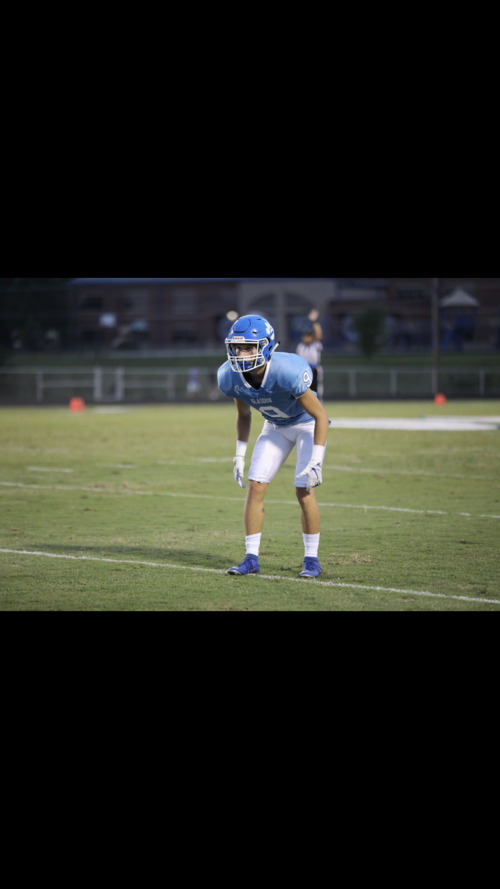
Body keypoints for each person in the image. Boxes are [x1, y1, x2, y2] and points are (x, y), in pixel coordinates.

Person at [217, 314, 331, 578]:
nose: (241, 354)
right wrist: (239, 454)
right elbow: (244, 415)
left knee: (304, 490)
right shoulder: (230, 376)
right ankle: (251, 558)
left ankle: (312, 560)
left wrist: (316, 459)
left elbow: (321, 416)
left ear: (266, 346)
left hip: (305, 424)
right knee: (256, 486)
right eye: (237, 347)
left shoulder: (287, 370)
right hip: (275, 426)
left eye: (248, 347)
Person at [296, 311, 324, 400]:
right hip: (304, 370)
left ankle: (319, 404)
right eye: (305, 336)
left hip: (314, 369)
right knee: (304, 390)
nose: (307, 338)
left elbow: (319, 335)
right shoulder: (300, 346)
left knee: (317, 390)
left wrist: (314, 322)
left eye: (309, 336)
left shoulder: (315, 345)